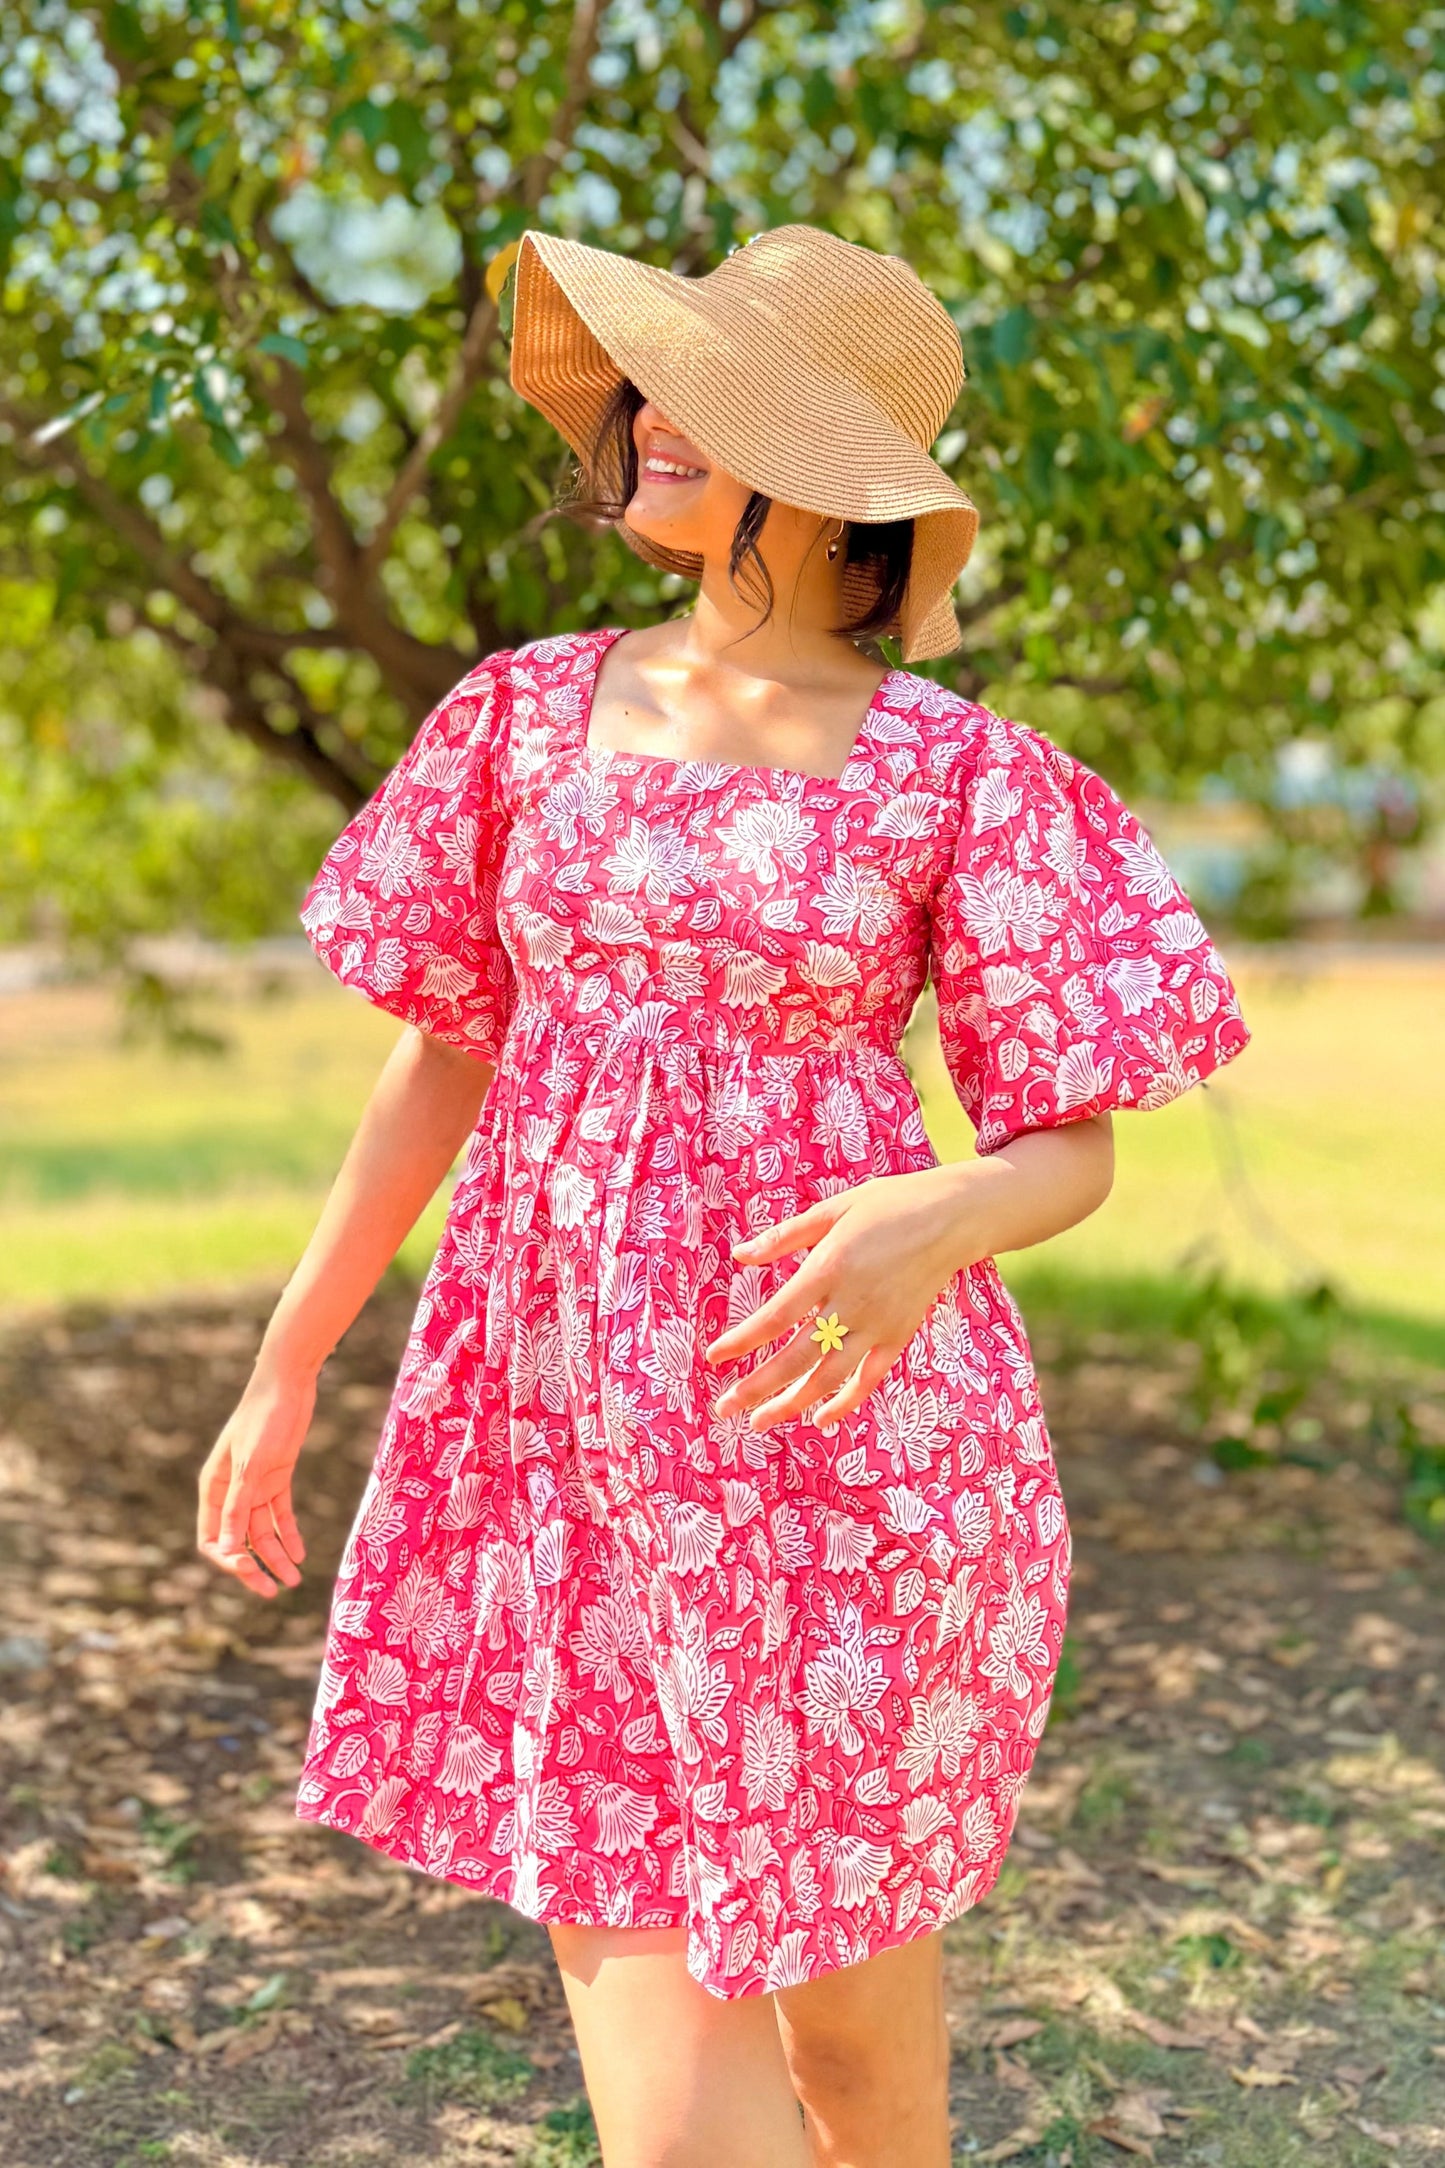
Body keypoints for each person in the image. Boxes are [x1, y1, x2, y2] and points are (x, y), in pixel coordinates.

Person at [197, 225, 1251, 2168]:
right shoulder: (519, 719)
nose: (644, 414)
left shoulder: (966, 778)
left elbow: (1074, 1137)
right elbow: (445, 1049)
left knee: (859, 2088)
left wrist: (938, 1215)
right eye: (647, 377)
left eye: (709, 387)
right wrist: (287, 1369)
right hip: (572, 1457)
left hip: (843, 1471)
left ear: (828, 468)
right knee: (687, 2140)